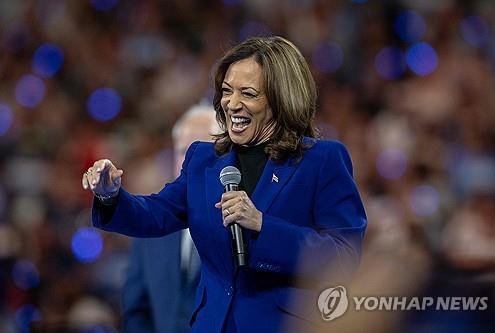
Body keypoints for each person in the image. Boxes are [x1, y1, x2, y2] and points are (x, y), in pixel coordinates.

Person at [82, 36, 367, 333]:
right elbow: (155, 213)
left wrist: (262, 225)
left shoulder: (321, 160)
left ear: (281, 99)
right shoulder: (205, 159)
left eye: (248, 93)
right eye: (227, 91)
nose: (232, 104)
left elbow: (343, 259)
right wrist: (110, 195)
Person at [122, 104, 219, 333]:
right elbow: (136, 310)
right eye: (184, 151)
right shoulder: (150, 221)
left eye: (204, 151)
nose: (191, 161)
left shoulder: (241, 222)